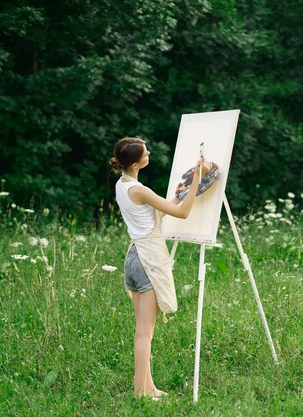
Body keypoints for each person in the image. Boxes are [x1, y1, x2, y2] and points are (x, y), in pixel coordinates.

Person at [109, 137, 203, 400]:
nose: (149, 153)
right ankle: (140, 392)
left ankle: (148, 387)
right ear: (137, 163)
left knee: (142, 329)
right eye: (146, 152)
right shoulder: (140, 189)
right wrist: (197, 180)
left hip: (134, 257)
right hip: (147, 260)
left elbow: (154, 214)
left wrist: (176, 196)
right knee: (144, 333)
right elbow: (182, 214)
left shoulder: (122, 185)